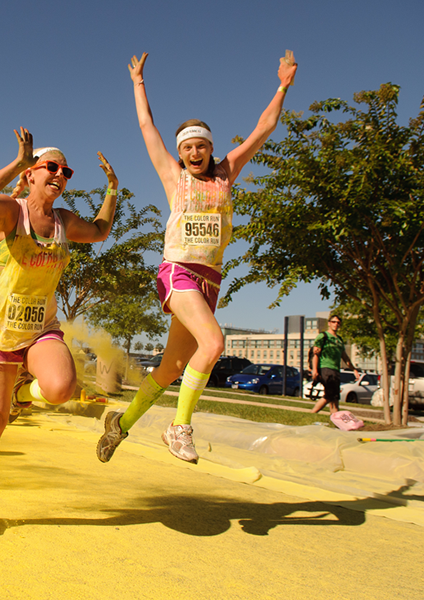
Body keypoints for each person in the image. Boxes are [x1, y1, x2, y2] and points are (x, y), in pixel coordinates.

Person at [97, 52, 298, 464]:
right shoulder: (174, 177)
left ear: (211, 148)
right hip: (178, 271)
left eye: (201, 146)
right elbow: (146, 127)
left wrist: (282, 87)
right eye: (187, 147)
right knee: (214, 341)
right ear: (181, 152)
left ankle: (122, 424)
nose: (193, 152)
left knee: (172, 366)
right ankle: (180, 428)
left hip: (210, 280)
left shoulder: (227, 172)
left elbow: (264, 128)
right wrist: (138, 82)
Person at [0, 128, 118, 534]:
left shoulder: (65, 221)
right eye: (51, 167)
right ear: (31, 174)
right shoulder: (12, 213)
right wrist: (15, 161)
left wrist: (113, 190)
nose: (60, 175)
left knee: (62, 388)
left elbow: (101, 231)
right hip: (0, 330)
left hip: (41, 328)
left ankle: (21, 392)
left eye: (66, 171)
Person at [310, 315, 360, 414]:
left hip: (336, 370)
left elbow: (345, 357)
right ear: (329, 323)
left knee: (334, 396)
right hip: (326, 368)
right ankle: (313, 413)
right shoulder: (323, 336)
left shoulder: (339, 340)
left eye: (338, 322)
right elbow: (315, 354)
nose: (336, 324)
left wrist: (354, 369)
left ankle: (335, 416)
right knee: (330, 395)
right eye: (333, 322)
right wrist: (315, 370)